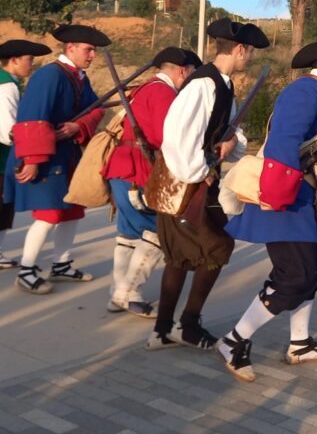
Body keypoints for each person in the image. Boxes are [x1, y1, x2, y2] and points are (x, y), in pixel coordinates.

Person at [218, 37, 317, 383]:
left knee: (310, 272)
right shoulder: (307, 92)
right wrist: (278, 196)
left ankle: (300, 344)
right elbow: (284, 143)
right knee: (295, 277)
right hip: (286, 197)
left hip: (300, 198)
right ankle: (233, 341)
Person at [144, 19, 268, 350]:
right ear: (240, 49)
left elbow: (230, 135)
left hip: (198, 182)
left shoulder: (224, 86)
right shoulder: (203, 85)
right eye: (250, 51)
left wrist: (228, 147)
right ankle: (185, 325)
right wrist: (203, 169)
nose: (251, 57)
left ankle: (162, 331)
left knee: (181, 257)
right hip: (183, 183)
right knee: (217, 248)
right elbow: (178, 139)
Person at [7, 25, 110, 294]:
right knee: (49, 213)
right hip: (45, 155)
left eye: (94, 51)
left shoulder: (79, 77)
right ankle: (27, 270)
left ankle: (61, 264)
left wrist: (79, 127)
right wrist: (32, 159)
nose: (92, 56)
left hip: (67, 153)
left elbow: (96, 108)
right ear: (71, 48)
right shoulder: (49, 75)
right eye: (88, 50)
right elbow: (32, 119)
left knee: (72, 210)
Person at [101, 47, 201, 317]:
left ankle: (117, 294)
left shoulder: (144, 88)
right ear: (183, 70)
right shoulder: (163, 92)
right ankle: (129, 294)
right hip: (138, 171)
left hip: (123, 167)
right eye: (192, 72)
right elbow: (166, 137)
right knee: (156, 232)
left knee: (128, 234)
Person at [0, 40, 52, 269]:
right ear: (14, 60)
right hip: (2, 157)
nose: (31, 64)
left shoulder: (10, 83)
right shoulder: (6, 87)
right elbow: (8, 130)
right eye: (29, 59)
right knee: (2, 206)